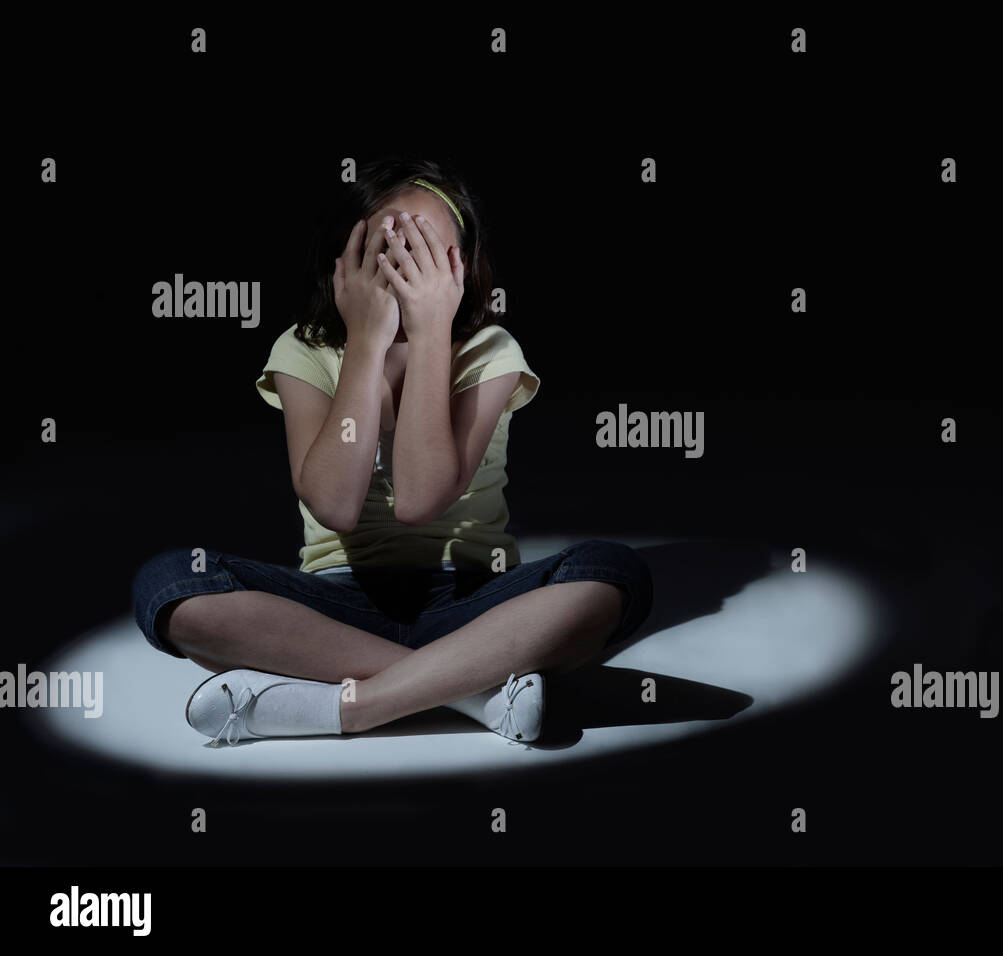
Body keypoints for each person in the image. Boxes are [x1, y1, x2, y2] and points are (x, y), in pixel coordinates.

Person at [130, 157, 653, 748]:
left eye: (429, 248)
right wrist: (365, 341)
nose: (408, 264)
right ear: (347, 259)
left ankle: (351, 706)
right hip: (334, 605)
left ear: (462, 266)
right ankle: (470, 692)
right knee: (170, 583)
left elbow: (420, 500)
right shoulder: (305, 350)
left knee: (610, 572)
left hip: (477, 601)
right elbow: (335, 505)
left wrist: (431, 335)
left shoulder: (489, 350)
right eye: (389, 244)